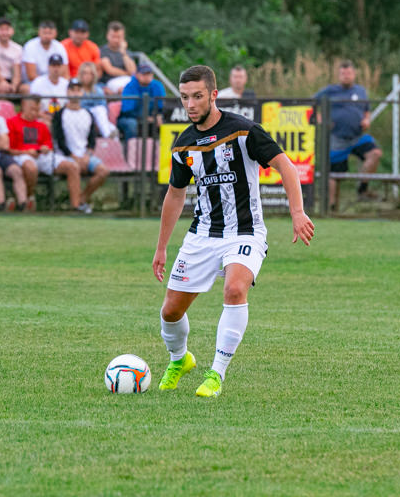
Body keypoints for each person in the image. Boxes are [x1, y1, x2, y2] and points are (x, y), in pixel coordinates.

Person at [151, 65, 314, 398]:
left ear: (213, 95)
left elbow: (285, 165)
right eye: (184, 98)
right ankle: (179, 359)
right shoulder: (184, 145)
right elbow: (175, 195)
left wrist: (297, 212)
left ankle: (216, 373)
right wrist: (161, 247)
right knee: (170, 312)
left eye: (197, 96)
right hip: (202, 235)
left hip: (245, 232)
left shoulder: (244, 131)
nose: (190, 104)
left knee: (235, 289)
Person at [314, 60, 381, 207]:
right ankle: (331, 206)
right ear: (339, 75)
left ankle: (362, 189)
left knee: (375, 153)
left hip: (357, 137)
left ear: (354, 74)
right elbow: (311, 104)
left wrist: (366, 120)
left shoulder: (361, 91)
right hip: (337, 139)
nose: (346, 76)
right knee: (334, 175)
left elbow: (366, 110)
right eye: (343, 73)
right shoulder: (330, 91)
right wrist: (321, 120)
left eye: (349, 73)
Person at [7, 95, 83, 212]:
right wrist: (26, 151)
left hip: (41, 155)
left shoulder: (42, 125)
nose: (35, 113)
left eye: (37, 110)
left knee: (72, 167)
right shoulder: (11, 123)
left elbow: (49, 145)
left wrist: (46, 148)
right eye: (32, 109)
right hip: (21, 155)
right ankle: (28, 197)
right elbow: (9, 149)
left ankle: (76, 206)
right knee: (30, 167)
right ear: (23, 106)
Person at [51, 80, 109, 213]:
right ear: (67, 92)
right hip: (64, 156)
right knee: (74, 168)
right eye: (72, 89)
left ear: (82, 92)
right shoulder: (60, 115)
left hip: (84, 155)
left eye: (78, 89)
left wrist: (86, 156)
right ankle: (75, 206)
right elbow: (60, 141)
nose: (75, 93)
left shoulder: (88, 114)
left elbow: (92, 140)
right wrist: (74, 157)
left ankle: (82, 198)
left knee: (103, 171)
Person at [118, 64, 165, 140]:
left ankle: (163, 150)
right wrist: (145, 117)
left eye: (149, 74)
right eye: (144, 74)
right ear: (137, 75)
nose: (147, 76)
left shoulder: (157, 85)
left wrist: (159, 115)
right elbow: (127, 110)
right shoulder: (130, 87)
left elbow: (162, 105)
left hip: (152, 116)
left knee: (165, 122)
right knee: (131, 124)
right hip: (130, 117)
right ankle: (131, 150)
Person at [77, 62, 117, 138]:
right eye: (85, 73)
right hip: (80, 117)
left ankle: (112, 144)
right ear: (81, 74)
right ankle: (107, 135)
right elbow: (77, 106)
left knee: (113, 128)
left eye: (90, 73)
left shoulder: (98, 90)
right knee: (98, 110)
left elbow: (104, 109)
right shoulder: (76, 89)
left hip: (97, 118)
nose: (87, 76)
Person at [29, 54, 69, 123]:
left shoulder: (66, 84)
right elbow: (32, 105)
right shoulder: (38, 82)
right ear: (48, 67)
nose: (56, 69)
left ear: (62, 68)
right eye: (53, 66)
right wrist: (44, 116)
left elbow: (68, 106)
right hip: (42, 117)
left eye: (58, 66)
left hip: (62, 118)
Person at [99, 21, 137, 92]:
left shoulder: (126, 52)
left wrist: (123, 53)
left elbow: (133, 71)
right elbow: (110, 70)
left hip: (128, 80)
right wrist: (127, 73)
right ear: (107, 36)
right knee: (125, 90)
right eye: (113, 36)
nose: (116, 40)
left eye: (119, 37)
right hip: (110, 81)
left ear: (123, 37)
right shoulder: (102, 51)